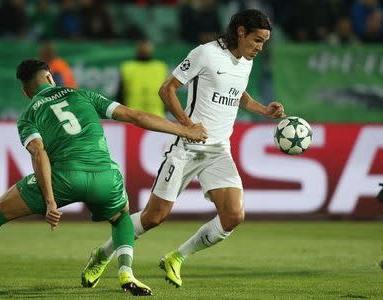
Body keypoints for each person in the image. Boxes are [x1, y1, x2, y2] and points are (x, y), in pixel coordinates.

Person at [0, 59, 207, 297]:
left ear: (26, 92)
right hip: (105, 177)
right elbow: (136, 116)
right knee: (121, 217)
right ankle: (126, 271)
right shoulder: (84, 95)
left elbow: (39, 154)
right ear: (50, 77)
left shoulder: (28, 114)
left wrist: (49, 202)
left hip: (63, 179)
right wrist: (184, 130)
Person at [81, 9, 286, 288]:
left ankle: (176, 258)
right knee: (154, 217)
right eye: (257, 40)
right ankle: (102, 255)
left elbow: (237, 92)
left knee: (233, 215)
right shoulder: (205, 53)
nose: (260, 48)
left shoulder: (245, 60)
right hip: (186, 148)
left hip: (219, 150)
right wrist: (187, 125)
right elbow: (167, 89)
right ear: (240, 32)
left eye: (264, 42)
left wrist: (263, 109)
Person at [117, 39, 168, 117]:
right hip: (133, 116)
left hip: (157, 116)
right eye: (142, 46)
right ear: (137, 48)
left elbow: (167, 91)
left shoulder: (160, 67)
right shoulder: (127, 67)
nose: (144, 49)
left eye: (147, 46)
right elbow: (121, 92)